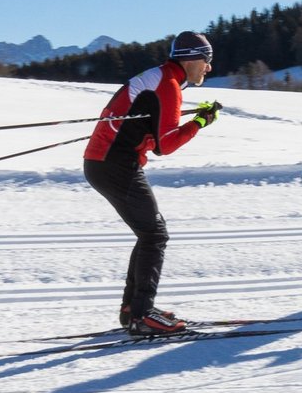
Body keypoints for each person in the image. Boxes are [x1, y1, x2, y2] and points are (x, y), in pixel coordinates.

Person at [83, 31, 222, 335]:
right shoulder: (168, 84)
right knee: (154, 235)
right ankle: (142, 315)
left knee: (149, 232)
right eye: (206, 60)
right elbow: (167, 144)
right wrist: (200, 123)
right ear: (191, 59)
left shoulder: (162, 78)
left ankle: (134, 309)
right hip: (114, 165)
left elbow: (154, 129)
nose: (209, 68)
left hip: (106, 163)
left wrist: (191, 119)